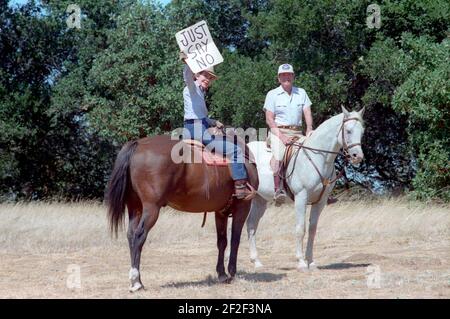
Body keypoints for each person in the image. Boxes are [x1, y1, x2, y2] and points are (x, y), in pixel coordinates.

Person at [179, 51, 253, 199]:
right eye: (205, 75)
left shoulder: (199, 92)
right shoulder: (192, 87)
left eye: (210, 77)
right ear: (197, 75)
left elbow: (199, 114)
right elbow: (187, 77)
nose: (208, 79)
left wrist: (213, 122)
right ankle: (240, 187)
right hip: (197, 129)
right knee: (236, 150)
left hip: (195, 127)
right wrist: (187, 62)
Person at [263, 63, 313, 205]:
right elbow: (269, 118)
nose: (286, 77)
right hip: (278, 131)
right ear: (279, 78)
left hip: (297, 131)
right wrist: (282, 137)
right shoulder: (272, 94)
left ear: (293, 76)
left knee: (313, 152)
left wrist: (309, 129)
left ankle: (318, 188)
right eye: (283, 75)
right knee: (279, 154)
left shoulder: (301, 92)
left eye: (289, 75)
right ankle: (278, 189)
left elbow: (307, 112)